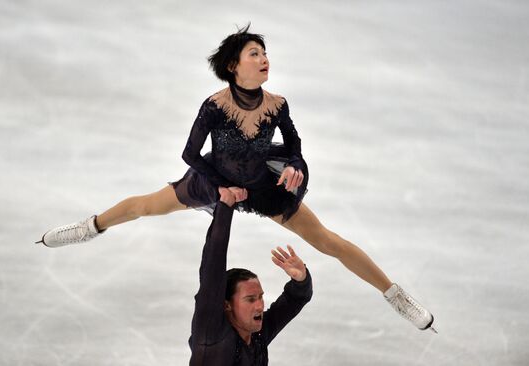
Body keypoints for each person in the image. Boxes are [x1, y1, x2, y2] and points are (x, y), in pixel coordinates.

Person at [36, 24, 436, 332]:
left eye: (265, 53)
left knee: (328, 241)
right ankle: (89, 227)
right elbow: (190, 154)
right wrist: (218, 187)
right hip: (213, 178)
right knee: (144, 206)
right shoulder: (215, 106)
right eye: (254, 53)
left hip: (263, 186)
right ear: (233, 65)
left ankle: (395, 295)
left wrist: (295, 165)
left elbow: (294, 145)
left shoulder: (277, 104)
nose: (264, 59)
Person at [190, 187, 312, 365]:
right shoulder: (212, 335)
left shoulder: (258, 335)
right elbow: (212, 264)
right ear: (226, 305)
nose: (259, 305)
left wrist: (301, 279)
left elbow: (295, 299)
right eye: (250, 299)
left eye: (260, 297)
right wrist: (224, 207)